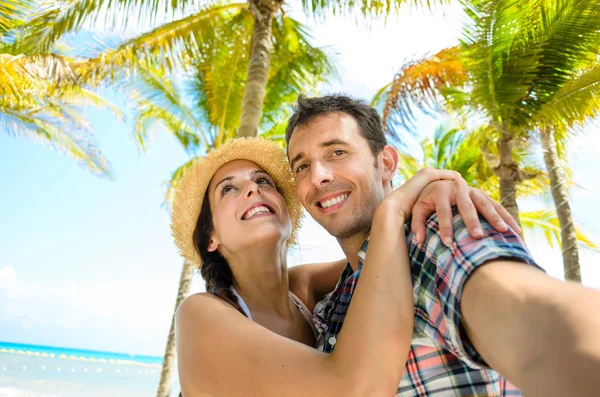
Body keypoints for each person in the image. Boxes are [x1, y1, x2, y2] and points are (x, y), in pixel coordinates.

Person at [285, 94, 600, 397]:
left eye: (337, 152)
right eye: (301, 166)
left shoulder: (436, 232)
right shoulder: (327, 308)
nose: (318, 177)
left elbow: (539, 322)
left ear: (387, 163)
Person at [170, 138, 513, 396]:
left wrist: (439, 190)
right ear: (210, 236)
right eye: (228, 189)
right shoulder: (202, 314)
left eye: (263, 182)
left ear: (288, 212)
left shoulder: (305, 288)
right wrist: (391, 210)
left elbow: (390, 253)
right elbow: (351, 387)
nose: (251, 189)